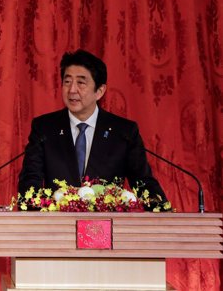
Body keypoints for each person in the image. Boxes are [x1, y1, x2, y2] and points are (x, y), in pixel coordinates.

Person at [17, 49, 167, 202]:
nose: (72, 90)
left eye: (81, 82)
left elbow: (143, 183)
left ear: (100, 91)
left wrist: (161, 210)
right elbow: (30, 180)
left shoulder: (123, 132)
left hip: (109, 224)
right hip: (57, 223)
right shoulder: (44, 129)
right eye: (67, 82)